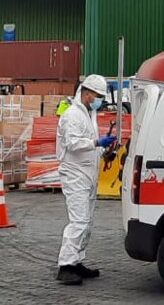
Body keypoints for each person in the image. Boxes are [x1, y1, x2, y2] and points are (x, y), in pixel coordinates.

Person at [55, 74, 115, 286]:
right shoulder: (73, 115)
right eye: (97, 96)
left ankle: (77, 260)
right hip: (75, 174)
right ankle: (66, 265)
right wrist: (98, 142)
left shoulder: (90, 114)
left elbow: (89, 146)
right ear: (87, 93)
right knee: (79, 220)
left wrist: (104, 153)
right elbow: (73, 144)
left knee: (87, 222)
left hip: (88, 174)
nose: (99, 99)